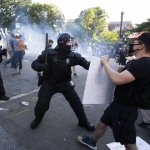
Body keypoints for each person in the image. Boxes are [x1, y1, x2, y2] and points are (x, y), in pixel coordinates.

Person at [77, 32, 150, 150]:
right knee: (103, 122)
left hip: (126, 109)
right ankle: (92, 141)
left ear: (142, 45)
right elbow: (126, 72)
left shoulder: (144, 64)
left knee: (129, 142)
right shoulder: (138, 62)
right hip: (119, 104)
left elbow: (117, 79)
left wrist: (105, 63)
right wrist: (116, 66)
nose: (131, 45)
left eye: (134, 42)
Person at [30, 32, 95, 131]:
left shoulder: (73, 55)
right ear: (61, 42)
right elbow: (34, 63)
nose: (71, 44)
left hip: (65, 83)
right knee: (41, 105)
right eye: (68, 42)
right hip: (49, 83)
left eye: (71, 42)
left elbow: (86, 64)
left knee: (76, 103)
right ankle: (38, 118)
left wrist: (99, 64)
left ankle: (83, 121)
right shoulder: (49, 53)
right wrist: (42, 66)